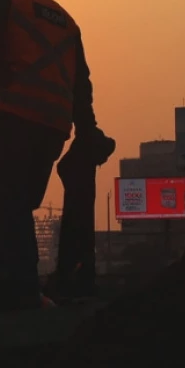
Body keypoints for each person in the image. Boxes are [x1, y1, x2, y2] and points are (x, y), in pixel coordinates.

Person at [0, 0, 103, 314]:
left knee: (7, 205)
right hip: (52, 128)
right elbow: (81, 84)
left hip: (13, 119)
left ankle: (19, 291)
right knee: (16, 208)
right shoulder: (67, 22)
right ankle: (2, 283)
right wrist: (87, 131)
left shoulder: (3, 3)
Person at [47, 128, 117, 301]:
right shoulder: (85, 146)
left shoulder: (83, 157)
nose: (101, 163)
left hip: (80, 203)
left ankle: (74, 281)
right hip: (79, 205)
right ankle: (75, 282)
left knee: (78, 241)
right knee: (78, 241)